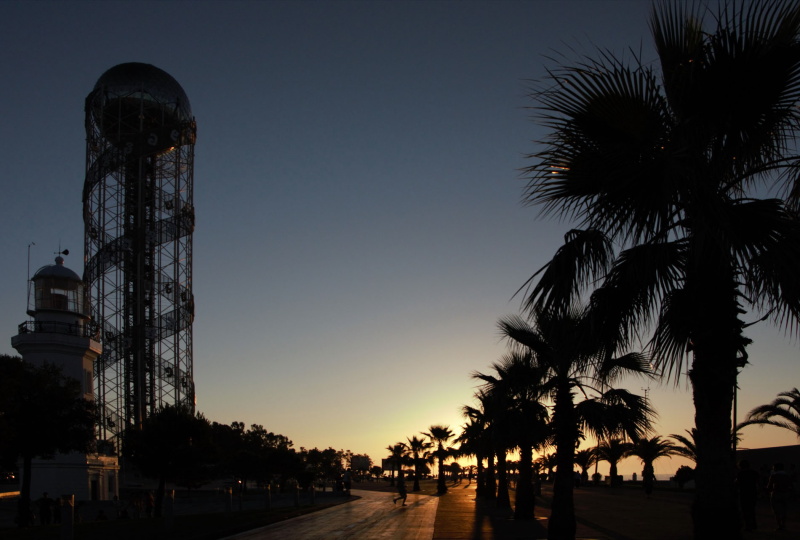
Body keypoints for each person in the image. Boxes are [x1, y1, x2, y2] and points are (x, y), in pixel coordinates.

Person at [766, 463, 793, 531]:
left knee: (776, 511)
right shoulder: (787, 476)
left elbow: (769, 486)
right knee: (784, 510)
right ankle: (783, 524)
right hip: (785, 494)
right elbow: (790, 486)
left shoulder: (774, 476)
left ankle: (779, 525)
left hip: (776, 494)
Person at [736, 460, 759, 531]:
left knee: (745, 510)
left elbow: (737, 483)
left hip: (744, 493)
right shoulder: (754, 473)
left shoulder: (740, 474)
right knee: (752, 510)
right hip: (753, 492)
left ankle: (747, 526)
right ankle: (754, 525)